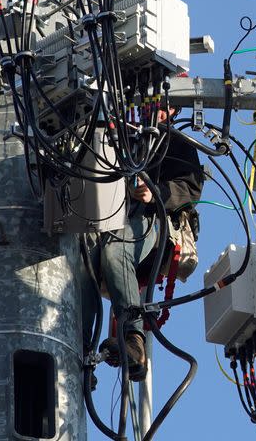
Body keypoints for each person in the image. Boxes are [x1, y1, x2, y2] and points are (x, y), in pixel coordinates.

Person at [86, 106, 204, 381]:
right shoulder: (119, 136)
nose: (155, 112)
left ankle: (133, 341)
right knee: (82, 270)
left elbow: (191, 188)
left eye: (164, 107)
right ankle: (80, 354)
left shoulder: (173, 141)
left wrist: (156, 193)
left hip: (157, 221)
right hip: (109, 223)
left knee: (116, 251)